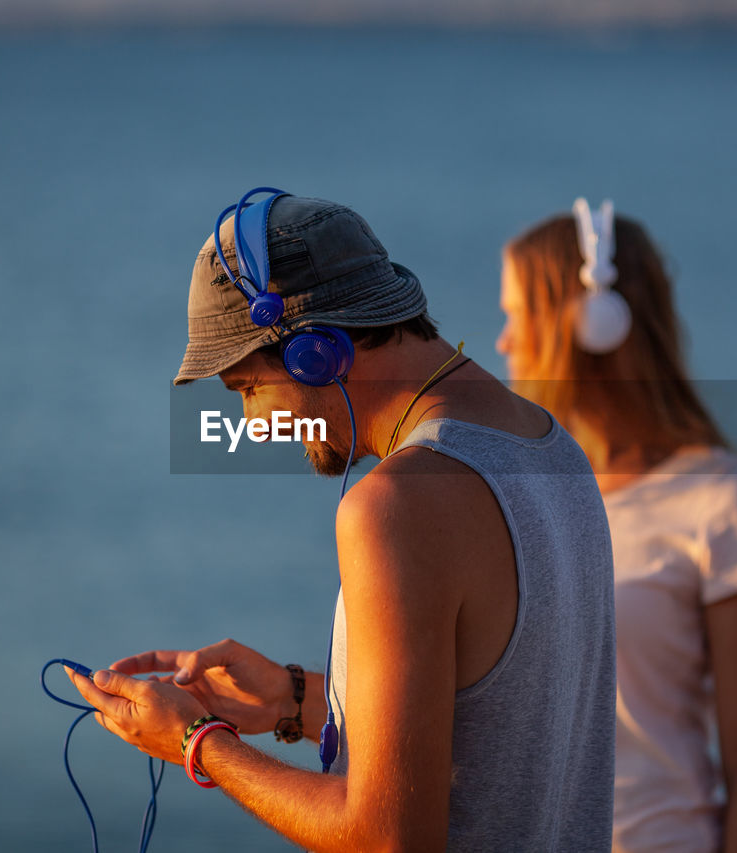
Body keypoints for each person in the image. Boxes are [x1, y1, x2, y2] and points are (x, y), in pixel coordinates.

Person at [68, 190, 616, 851]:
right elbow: (510, 719)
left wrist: (194, 741)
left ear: (316, 352)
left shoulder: (400, 505)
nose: (253, 424)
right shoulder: (556, 449)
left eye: (246, 389)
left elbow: (387, 836)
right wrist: (293, 699)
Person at [496, 198, 737, 853]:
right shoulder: (515, 493)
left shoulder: (720, 497)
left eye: (517, 315)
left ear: (590, 324)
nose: (504, 341)